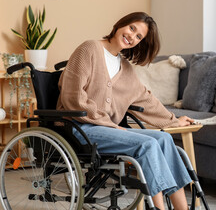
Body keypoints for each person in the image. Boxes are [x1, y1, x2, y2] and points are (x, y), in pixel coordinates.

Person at [57, 12, 194, 210]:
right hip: (79, 127)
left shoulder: (125, 67)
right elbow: (74, 97)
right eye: (132, 28)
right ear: (121, 24)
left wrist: (173, 120)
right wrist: (109, 125)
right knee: (148, 144)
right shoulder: (89, 48)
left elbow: (145, 98)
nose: (132, 36)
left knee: (163, 139)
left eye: (139, 37)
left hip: (107, 130)